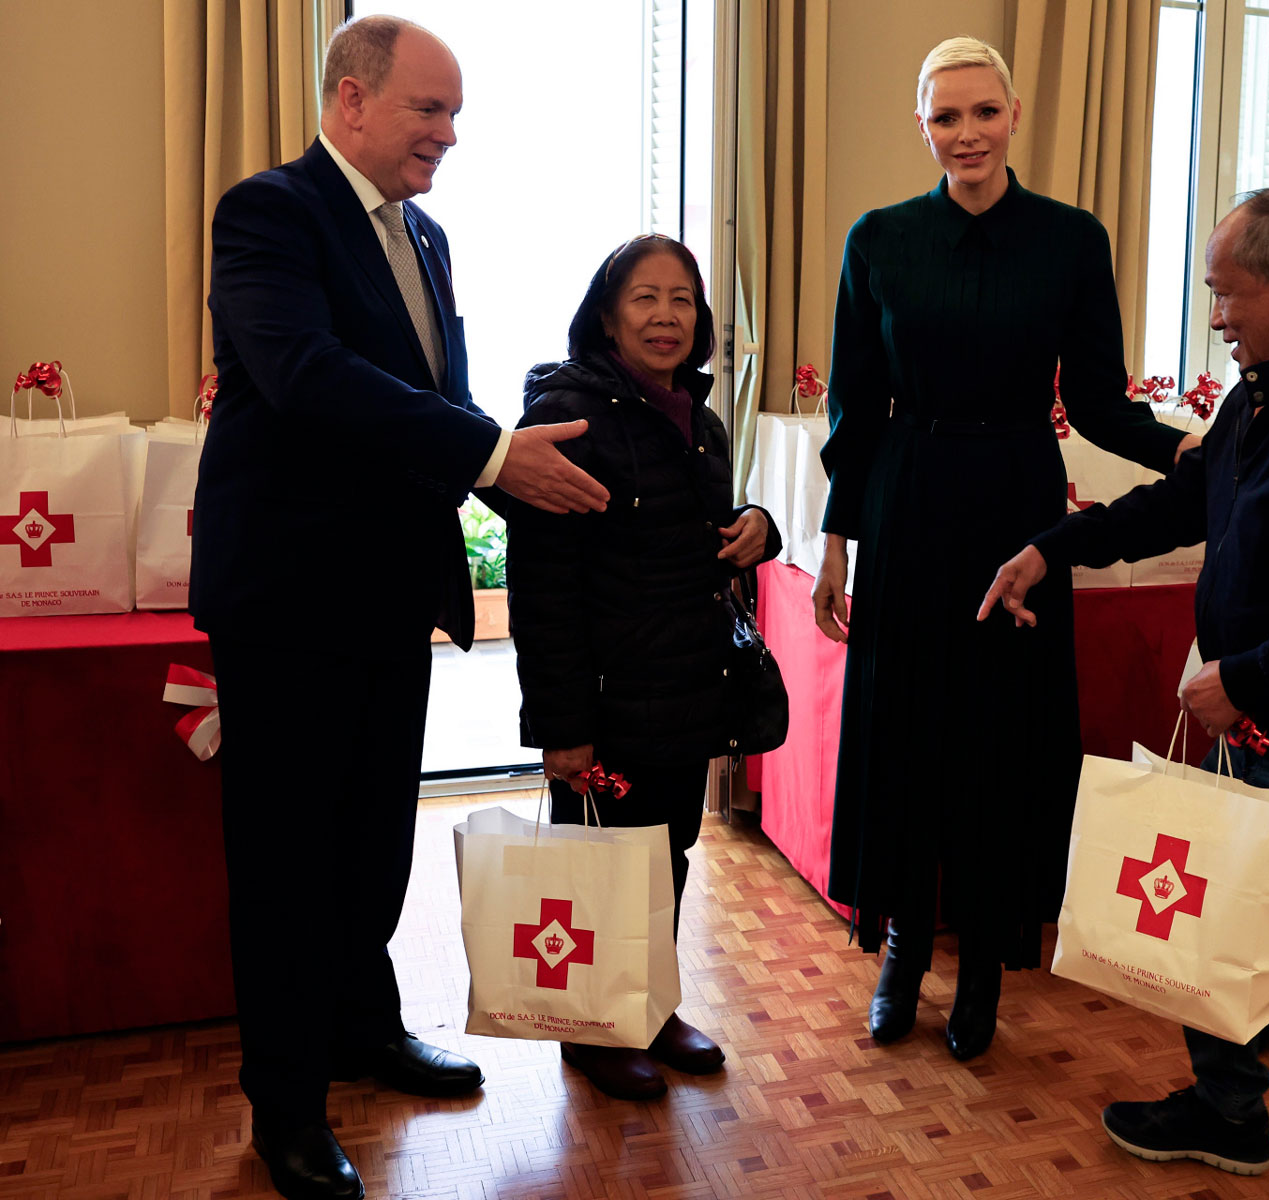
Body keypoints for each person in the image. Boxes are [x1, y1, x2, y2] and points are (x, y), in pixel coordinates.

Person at [192, 17, 609, 1200]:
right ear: (351, 99)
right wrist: (492, 456)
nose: (448, 133)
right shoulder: (268, 213)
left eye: (456, 112)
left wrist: (517, 483)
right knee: (286, 861)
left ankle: (363, 1033)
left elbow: (437, 398)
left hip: (388, 597)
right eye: (429, 109)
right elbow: (308, 377)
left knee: (373, 845)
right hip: (287, 599)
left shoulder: (425, 236)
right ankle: (285, 1103)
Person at [979, 186, 1269, 1198]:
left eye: (1223, 293)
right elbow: (1183, 501)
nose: (1215, 315)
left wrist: (1246, 675)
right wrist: (1049, 551)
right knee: (1218, 934)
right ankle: (1229, 1110)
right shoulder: (1260, 391)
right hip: (1258, 723)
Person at [811, 36, 1199, 1062]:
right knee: (903, 729)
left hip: (1019, 508)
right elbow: (857, 408)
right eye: (946, 118)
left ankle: (983, 958)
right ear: (924, 127)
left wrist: (1192, 449)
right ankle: (902, 944)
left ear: (1015, 115)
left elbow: (1104, 404)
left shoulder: (1072, 240)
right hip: (905, 502)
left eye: (983, 113)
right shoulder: (878, 239)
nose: (966, 134)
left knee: (999, 735)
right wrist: (838, 539)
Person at [507, 234, 781, 1101]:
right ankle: (592, 1032)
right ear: (606, 313)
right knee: (601, 868)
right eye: (645, 299)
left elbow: (698, 542)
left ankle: (651, 1009)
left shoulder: (698, 422)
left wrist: (756, 529)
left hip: (685, 689)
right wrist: (564, 729)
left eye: (683, 301)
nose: (667, 317)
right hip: (605, 699)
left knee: (667, 857)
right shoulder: (569, 419)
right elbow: (540, 591)